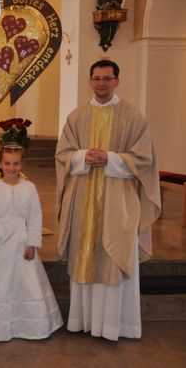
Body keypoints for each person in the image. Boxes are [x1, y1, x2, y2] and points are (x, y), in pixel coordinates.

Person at [55, 59, 161, 341]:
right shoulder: (77, 116)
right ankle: (83, 321)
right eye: (97, 78)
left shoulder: (133, 116)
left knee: (114, 256)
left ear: (117, 81)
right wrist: (82, 157)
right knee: (84, 253)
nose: (101, 83)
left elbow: (144, 159)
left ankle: (115, 325)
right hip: (83, 200)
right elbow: (63, 154)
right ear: (90, 81)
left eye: (107, 78)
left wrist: (111, 158)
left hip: (119, 201)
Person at [0, 144, 63, 341]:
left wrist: (32, 243)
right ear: (0, 164)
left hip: (20, 241)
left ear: (22, 164)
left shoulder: (29, 188)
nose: (11, 168)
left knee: (24, 281)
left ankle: (24, 323)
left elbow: (35, 216)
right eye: (7, 163)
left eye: (16, 164)